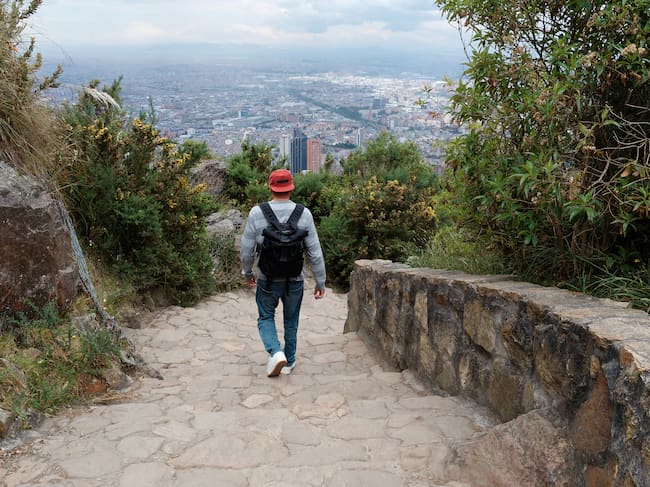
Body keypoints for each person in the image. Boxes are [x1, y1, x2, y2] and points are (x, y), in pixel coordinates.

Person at [240, 169, 326, 377]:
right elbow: (314, 252)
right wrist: (320, 281)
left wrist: (247, 272)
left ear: (270, 186)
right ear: (291, 186)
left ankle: (275, 352)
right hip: (295, 278)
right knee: (291, 320)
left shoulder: (257, 213)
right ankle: (289, 360)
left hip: (268, 278)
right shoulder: (303, 214)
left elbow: (247, 248)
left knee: (266, 317)